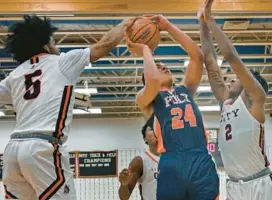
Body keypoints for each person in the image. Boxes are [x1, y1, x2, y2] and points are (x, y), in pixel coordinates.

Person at [0, 14, 135, 200]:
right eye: (54, 42)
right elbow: (103, 46)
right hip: (42, 148)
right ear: (46, 44)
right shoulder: (63, 62)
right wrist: (126, 23)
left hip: (12, 151)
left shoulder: (15, 76)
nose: (57, 47)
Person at [125, 14, 219, 200]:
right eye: (158, 67)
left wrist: (167, 26)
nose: (164, 67)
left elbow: (197, 56)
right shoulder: (147, 99)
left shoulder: (185, 91)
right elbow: (151, 80)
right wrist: (145, 50)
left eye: (164, 66)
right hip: (172, 162)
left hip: (200, 158)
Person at [199, 0, 271, 200]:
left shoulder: (256, 99)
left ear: (250, 83)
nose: (231, 80)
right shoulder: (227, 103)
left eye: (236, 78)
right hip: (234, 186)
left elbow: (230, 57)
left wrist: (211, 21)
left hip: (259, 184)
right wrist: (201, 22)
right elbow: (210, 61)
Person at [118, 114, 159, 200]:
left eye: (158, 128)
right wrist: (124, 185)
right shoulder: (139, 161)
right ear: (145, 138)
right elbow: (124, 197)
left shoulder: (175, 158)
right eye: (152, 129)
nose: (156, 131)